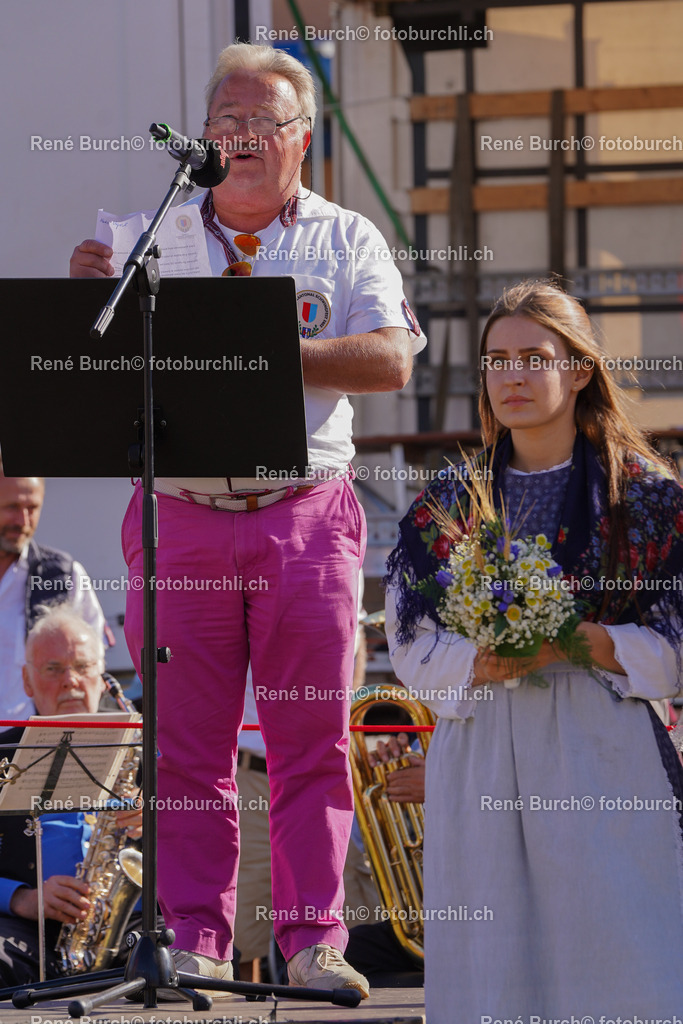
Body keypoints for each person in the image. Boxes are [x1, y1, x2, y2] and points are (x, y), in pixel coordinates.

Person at [70, 42, 424, 997]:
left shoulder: (347, 239)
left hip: (302, 513)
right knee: (187, 746)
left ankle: (313, 942)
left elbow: (392, 361)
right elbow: (89, 378)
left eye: (262, 122)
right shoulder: (148, 235)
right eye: (224, 122)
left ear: (302, 138)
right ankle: (195, 938)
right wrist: (84, 304)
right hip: (179, 513)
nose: (240, 138)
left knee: (307, 737)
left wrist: (265, 349)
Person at [385, 279, 683, 1021]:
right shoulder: (446, 499)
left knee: (618, 947)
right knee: (492, 958)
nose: (510, 377)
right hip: (481, 742)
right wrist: (480, 661)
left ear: (577, 369)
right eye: (495, 361)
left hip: (602, 742)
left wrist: (590, 643)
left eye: (531, 358)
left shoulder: (645, 497)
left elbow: (676, 642)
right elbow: (408, 639)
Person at [0, 606, 140, 986]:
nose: (71, 681)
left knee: (174, 961)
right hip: (23, 929)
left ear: (102, 676)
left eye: (82, 666)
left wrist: (163, 822)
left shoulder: (148, 754)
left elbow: (205, 849)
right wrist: (21, 899)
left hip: (130, 926)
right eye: (53, 669)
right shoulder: (2, 757)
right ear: (27, 682)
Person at [0, 466, 106, 721]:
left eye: (33, 508)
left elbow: (93, 662)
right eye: (12, 507)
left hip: (34, 744)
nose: (23, 521)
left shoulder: (63, 575)